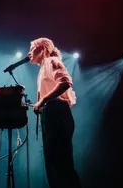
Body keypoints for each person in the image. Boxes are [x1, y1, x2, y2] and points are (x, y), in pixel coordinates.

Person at [27, 37, 81, 188]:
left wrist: (43, 100)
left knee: (60, 164)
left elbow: (65, 82)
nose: (29, 53)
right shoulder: (43, 68)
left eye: (32, 49)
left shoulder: (51, 62)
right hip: (51, 113)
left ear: (42, 49)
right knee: (53, 164)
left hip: (57, 113)